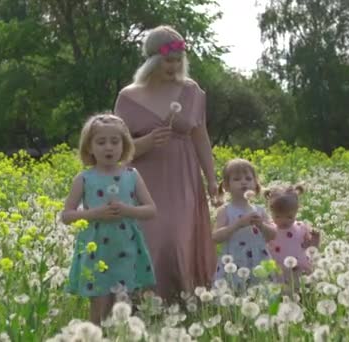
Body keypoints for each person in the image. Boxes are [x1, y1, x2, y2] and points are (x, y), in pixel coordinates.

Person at [114, 25, 217, 299]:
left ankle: (182, 300)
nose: (174, 66)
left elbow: (200, 137)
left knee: (175, 237)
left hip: (183, 177)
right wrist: (145, 143)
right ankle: (142, 301)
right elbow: (114, 148)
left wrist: (212, 179)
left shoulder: (192, 91)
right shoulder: (128, 97)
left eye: (178, 60)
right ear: (152, 61)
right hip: (143, 179)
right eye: (167, 60)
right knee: (150, 239)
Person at [61, 113, 157, 324]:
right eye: (101, 142)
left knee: (124, 304)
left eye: (115, 142)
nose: (109, 147)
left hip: (126, 246)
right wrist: (94, 214)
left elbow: (151, 210)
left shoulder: (132, 175)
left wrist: (126, 209)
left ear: (125, 146)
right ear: (89, 147)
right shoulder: (84, 178)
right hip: (96, 249)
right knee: (99, 302)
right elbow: (66, 216)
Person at [212, 158, 277, 291]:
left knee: (262, 291)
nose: (243, 182)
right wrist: (237, 224)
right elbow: (216, 237)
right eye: (237, 179)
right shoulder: (225, 211)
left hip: (259, 258)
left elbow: (273, 234)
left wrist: (262, 226)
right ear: (226, 186)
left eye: (248, 178)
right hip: (234, 260)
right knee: (234, 292)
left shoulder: (260, 210)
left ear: (255, 184)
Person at [264, 183, 321, 288]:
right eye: (278, 216)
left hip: (299, 271)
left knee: (301, 292)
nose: (283, 221)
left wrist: (315, 239)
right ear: (270, 212)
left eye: (289, 217)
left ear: (296, 211)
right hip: (278, 271)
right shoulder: (269, 230)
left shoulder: (301, 228)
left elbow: (310, 248)